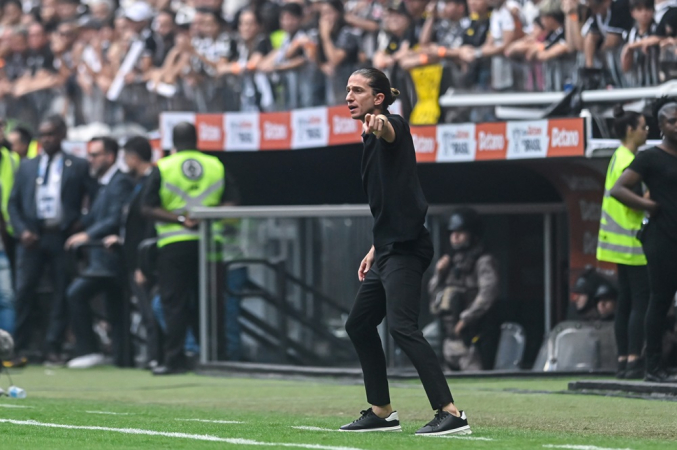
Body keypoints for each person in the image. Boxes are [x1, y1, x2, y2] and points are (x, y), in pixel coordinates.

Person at [340, 68, 470, 436]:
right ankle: (382, 412)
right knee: (359, 324)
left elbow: (390, 128)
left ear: (378, 98)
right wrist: (374, 247)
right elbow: (391, 203)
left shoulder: (390, 124)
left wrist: (378, 124)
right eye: (348, 90)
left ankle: (451, 413)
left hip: (407, 248)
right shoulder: (368, 135)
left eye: (358, 90)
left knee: (402, 327)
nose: (349, 96)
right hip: (387, 247)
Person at [142, 122, 236, 375]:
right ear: (197, 139)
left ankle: (175, 360)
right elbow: (233, 203)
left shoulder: (163, 166)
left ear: (172, 142)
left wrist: (181, 220)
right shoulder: (215, 165)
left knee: (174, 304)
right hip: (209, 244)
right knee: (212, 303)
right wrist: (207, 215)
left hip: (174, 245)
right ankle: (219, 358)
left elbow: (146, 207)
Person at [8, 115, 96, 366]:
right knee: (23, 290)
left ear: (62, 135)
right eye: (43, 134)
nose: (46, 139)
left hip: (61, 235)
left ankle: (52, 347)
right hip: (31, 237)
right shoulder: (26, 166)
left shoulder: (77, 165)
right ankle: (19, 347)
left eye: (51, 134)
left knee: (61, 291)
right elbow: (13, 203)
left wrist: (83, 221)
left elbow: (95, 197)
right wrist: (22, 230)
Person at [611, 96, 677, 383]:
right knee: (659, 300)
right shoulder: (651, 157)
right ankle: (652, 367)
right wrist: (648, 205)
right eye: (672, 121)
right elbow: (618, 189)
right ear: (660, 125)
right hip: (661, 237)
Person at [64, 136, 134, 369]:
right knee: (115, 309)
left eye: (95, 155)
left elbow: (114, 218)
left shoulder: (120, 182)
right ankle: (122, 357)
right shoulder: (104, 184)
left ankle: (89, 350)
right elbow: (94, 216)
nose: (90, 160)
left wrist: (87, 235)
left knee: (76, 294)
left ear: (110, 156)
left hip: (110, 259)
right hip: (101, 258)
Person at [597, 104, 651, 380]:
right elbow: (628, 198)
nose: (647, 130)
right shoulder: (628, 160)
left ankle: (623, 360)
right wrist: (652, 202)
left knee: (626, 302)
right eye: (643, 126)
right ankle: (633, 360)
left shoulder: (618, 156)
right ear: (631, 130)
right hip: (631, 241)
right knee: (640, 301)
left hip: (617, 241)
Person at [103, 136, 159, 368]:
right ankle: (153, 355)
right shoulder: (139, 183)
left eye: (126, 157)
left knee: (149, 310)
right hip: (134, 256)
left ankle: (156, 356)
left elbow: (147, 227)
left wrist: (142, 265)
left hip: (144, 259)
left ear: (134, 158)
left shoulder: (149, 182)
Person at [428, 208, 500, 372]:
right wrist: (439, 274)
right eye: (453, 232)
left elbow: (488, 294)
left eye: (461, 232)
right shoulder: (451, 262)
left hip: (473, 337)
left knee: (476, 384)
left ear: (473, 234)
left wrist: (464, 320)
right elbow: (434, 296)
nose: (455, 236)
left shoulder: (484, 261)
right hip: (449, 337)